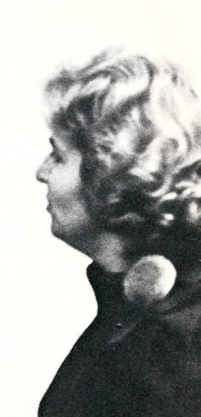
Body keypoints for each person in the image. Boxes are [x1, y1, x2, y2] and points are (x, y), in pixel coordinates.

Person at [36, 50, 201, 416]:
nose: (41, 173)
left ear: (112, 170)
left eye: (58, 156)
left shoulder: (171, 345)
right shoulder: (136, 313)